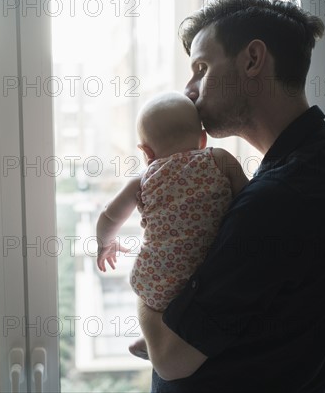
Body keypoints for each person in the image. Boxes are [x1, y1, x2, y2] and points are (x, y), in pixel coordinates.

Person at [135, 0, 325, 392]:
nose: (189, 91)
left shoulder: (284, 196)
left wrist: (151, 264)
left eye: (201, 69)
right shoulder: (309, 160)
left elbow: (171, 359)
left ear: (253, 59)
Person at [96, 91, 248, 357]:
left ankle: (151, 339)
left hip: (159, 275)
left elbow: (109, 216)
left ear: (146, 152)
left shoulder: (142, 179)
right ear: (202, 139)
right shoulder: (220, 159)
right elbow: (248, 201)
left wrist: (105, 244)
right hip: (212, 272)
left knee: (155, 300)